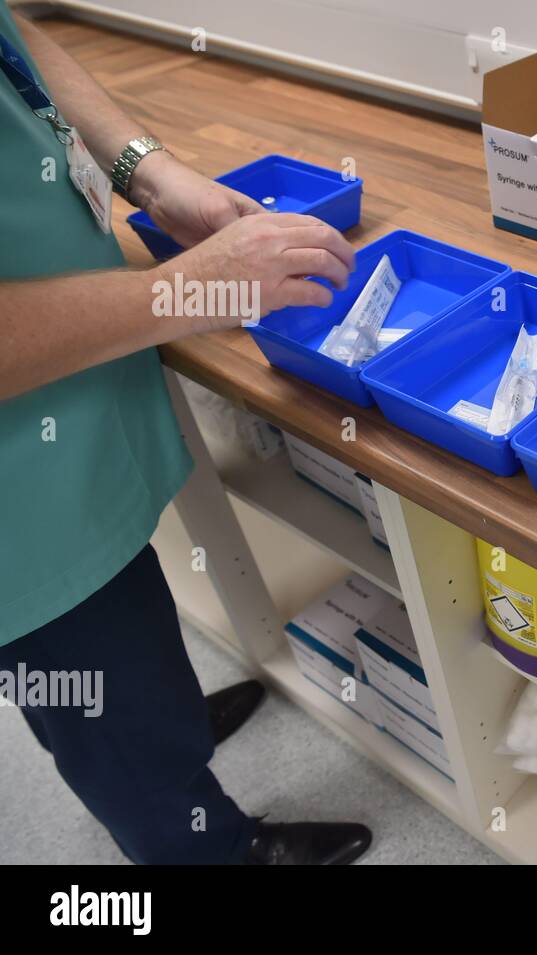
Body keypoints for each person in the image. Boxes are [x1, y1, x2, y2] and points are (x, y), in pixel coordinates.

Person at [0, 5, 371, 864]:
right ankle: (193, 832)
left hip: (73, 406)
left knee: (122, 637)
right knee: (87, 683)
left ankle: (152, 721)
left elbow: (13, 35)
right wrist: (186, 291)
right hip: (19, 519)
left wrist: (149, 174)